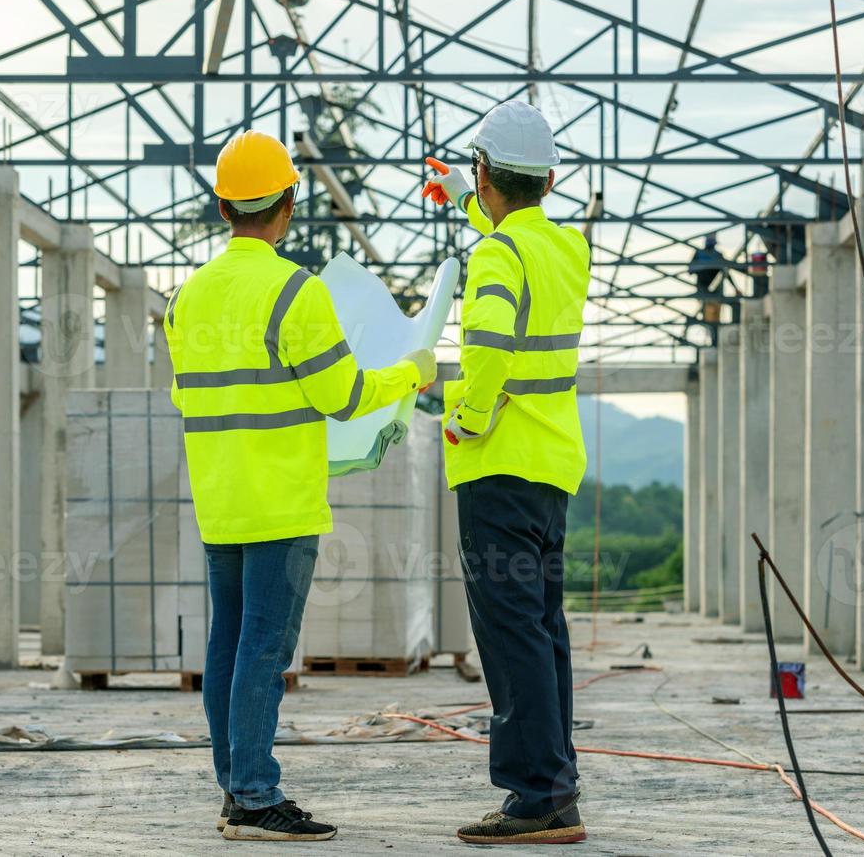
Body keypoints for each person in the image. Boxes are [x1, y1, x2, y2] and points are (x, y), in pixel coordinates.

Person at [166, 131, 437, 842]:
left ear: (223, 206)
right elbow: (344, 395)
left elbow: (186, 395)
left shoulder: (186, 300)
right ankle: (255, 797)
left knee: (228, 643)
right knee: (263, 648)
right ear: (288, 203)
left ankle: (236, 787)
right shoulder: (297, 291)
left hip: (220, 500)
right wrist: (413, 371)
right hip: (280, 501)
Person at [423, 101, 590, 845]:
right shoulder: (567, 249)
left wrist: (465, 418)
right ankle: (553, 780)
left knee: (511, 633)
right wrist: (467, 196)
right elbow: (516, 232)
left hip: (498, 466)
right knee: (542, 628)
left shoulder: (495, 257)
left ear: (489, 172)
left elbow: (487, 351)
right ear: (551, 180)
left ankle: (536, 797)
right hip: (551, 466)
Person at [688, 233, 726, 326]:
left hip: (706, 288)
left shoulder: (700, 253)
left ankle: (708, 325)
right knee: (710, 308)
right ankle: (709, 325)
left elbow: (690, 271)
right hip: (710, 289)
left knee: (708, 308)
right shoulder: (717, 255)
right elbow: (726, 271)